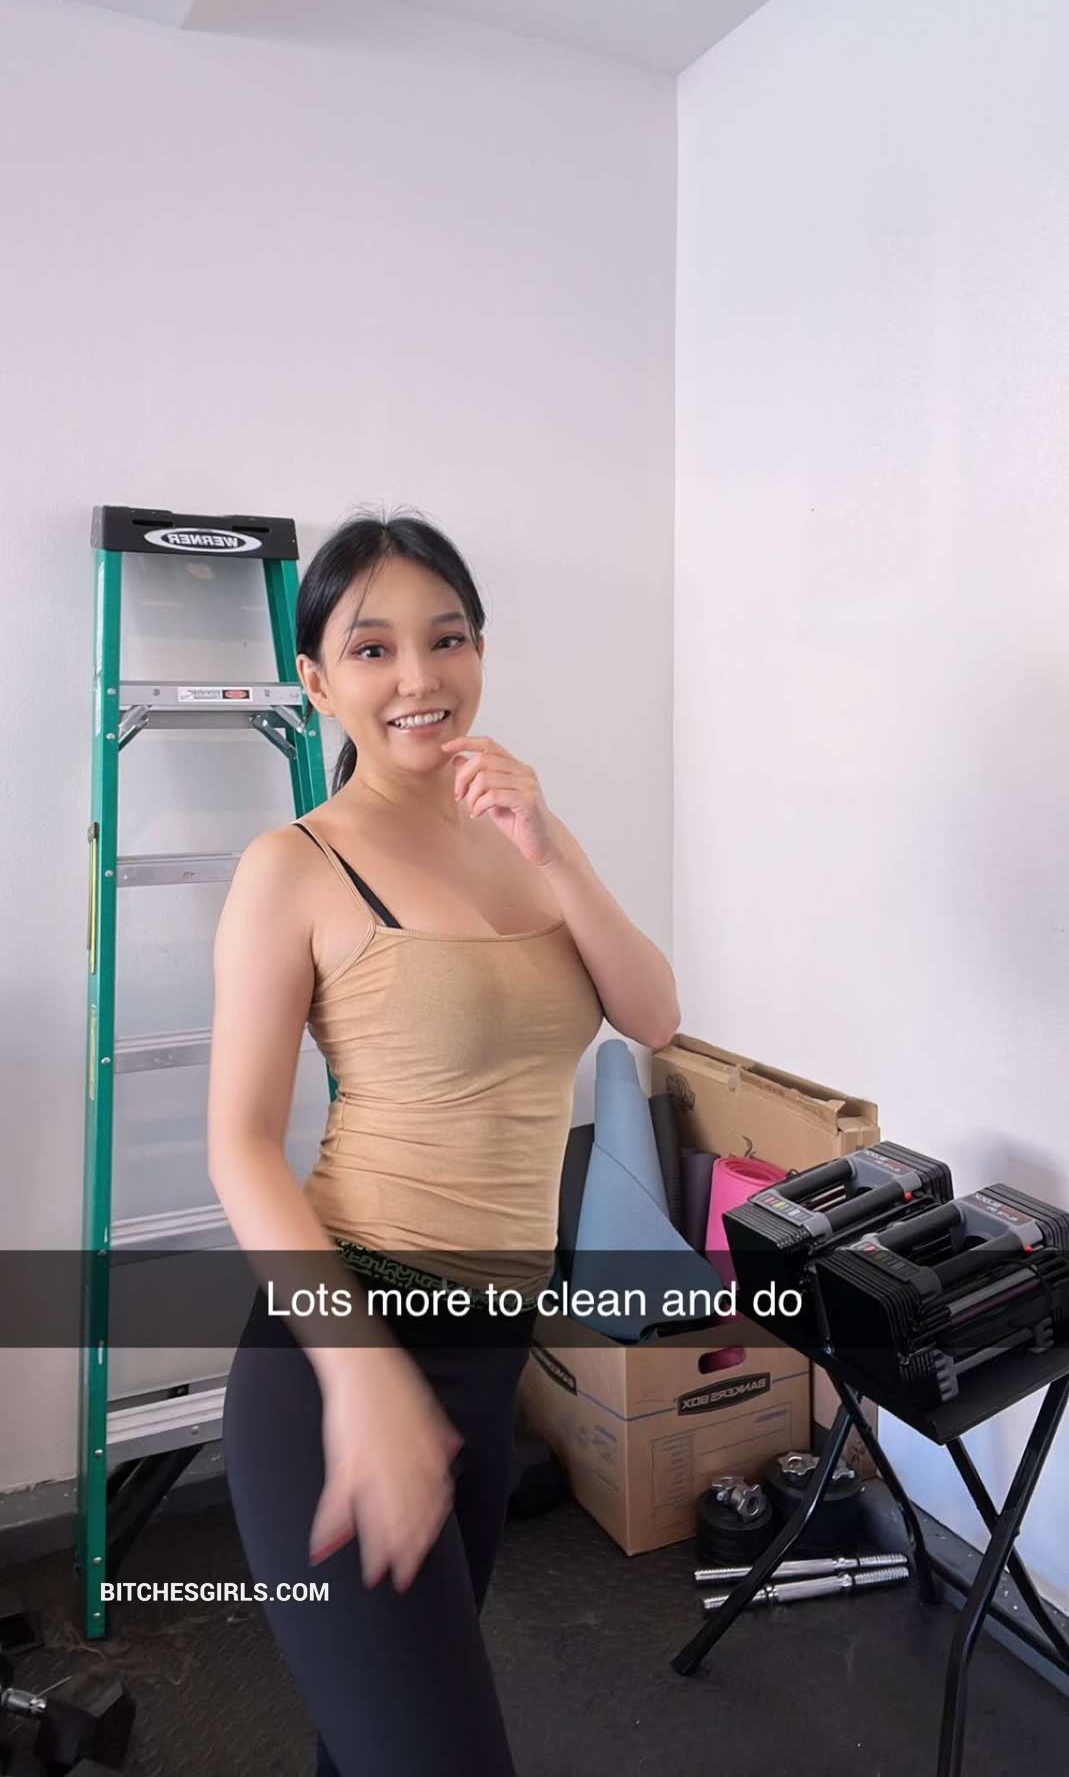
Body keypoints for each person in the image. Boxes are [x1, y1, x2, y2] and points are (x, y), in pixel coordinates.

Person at [209, 509, 680, 1775]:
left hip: (486, 1355)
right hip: (342, 1355)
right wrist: (365, 1382)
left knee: (375, 1739)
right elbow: (240, 1147)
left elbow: (652, 1014)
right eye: (372, 648)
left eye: (449, 637)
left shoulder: (521, 833)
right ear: (317, 682)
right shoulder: (294, 866)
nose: (419, 676)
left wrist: (552, 843)